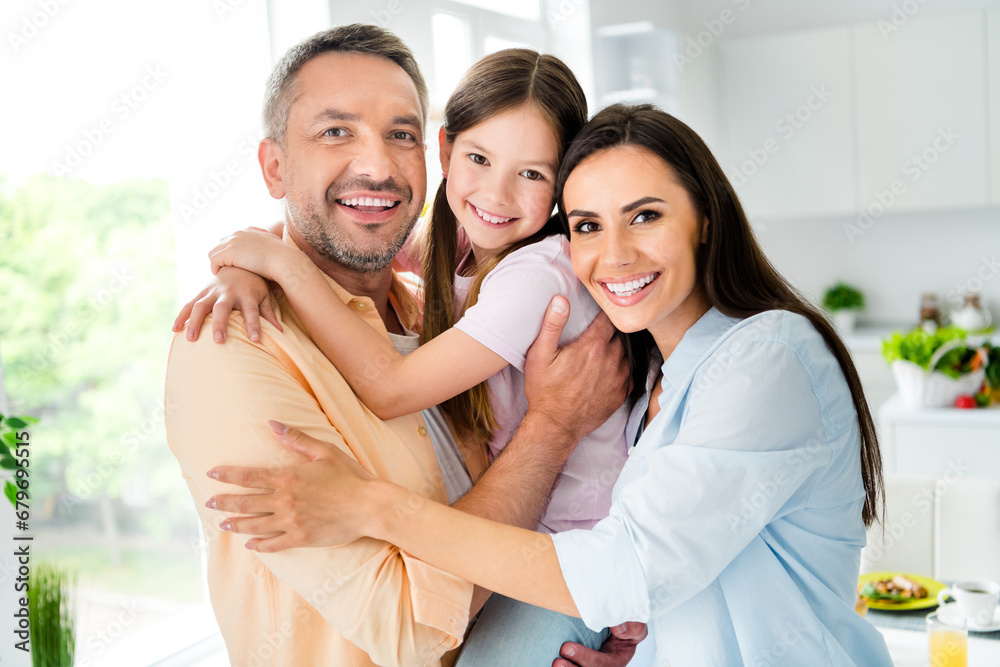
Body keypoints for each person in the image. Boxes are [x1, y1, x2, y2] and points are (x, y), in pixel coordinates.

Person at [204, 105, 895, 666]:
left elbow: (625, 565)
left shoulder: (767, 357)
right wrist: (256, 264)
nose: (614, 253)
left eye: (646, 215)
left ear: (705, 218)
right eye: (589, 225)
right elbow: (384, 241)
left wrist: (369, 507)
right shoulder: (647, 367)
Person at [165, 24, 638, 667]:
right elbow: (407, 629)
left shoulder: (437, 303)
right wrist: (553, 426)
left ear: (428, 153)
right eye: (336, 131)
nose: (378, 166)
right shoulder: (232, 345)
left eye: (401, 134)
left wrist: (577, 638)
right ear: (275, 167)